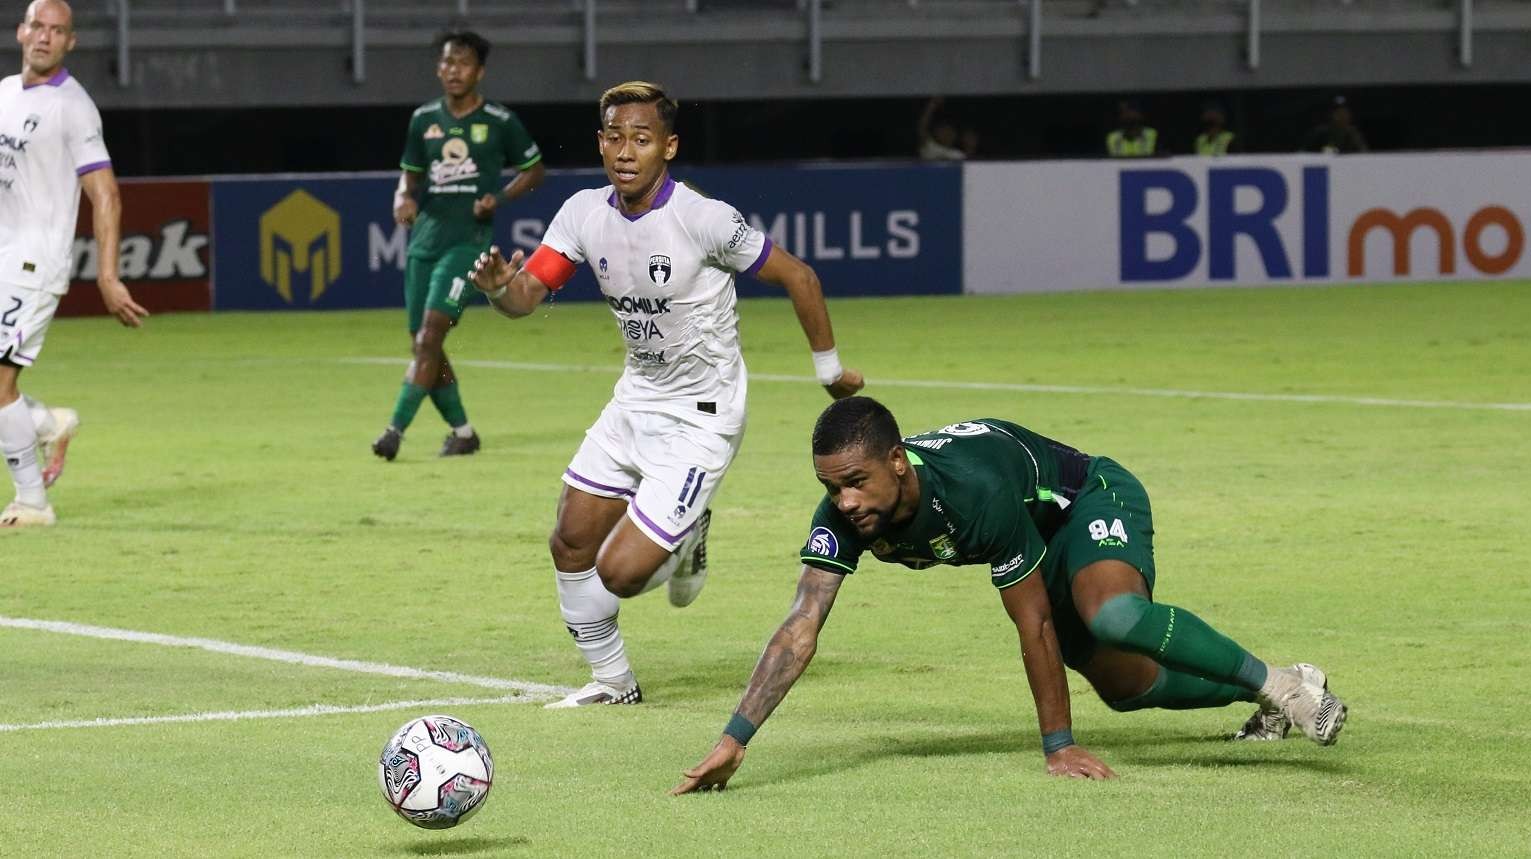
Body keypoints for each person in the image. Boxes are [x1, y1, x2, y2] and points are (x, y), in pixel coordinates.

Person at [672, 397, 1347, 793]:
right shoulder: (847, 514)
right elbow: (800, 625)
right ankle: (1263, 694)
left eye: (855, 481)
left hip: (1088, 499)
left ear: (898, 461)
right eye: (831, 487)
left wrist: (1058, 743)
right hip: (1035, 533)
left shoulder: (972, 493)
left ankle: (1285, 686)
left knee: (1111, 614)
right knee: (1127, 685)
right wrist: (737, 738)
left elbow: (1033, 625)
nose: (844, 501)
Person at [468, 81, 864, 708]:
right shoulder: (581, 214)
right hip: (635, 400)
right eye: (615, 137)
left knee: (620, 574)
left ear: (669, 147)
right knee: (569, 541)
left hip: (702, 417)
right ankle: (612, 683)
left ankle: (687, 533)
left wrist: (830, 372)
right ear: (601, 143)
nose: (627, 151)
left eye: (643, 139)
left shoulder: (702, 218)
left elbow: (799, 275)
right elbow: (526, 299)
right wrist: (498, 289)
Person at [1, 0, 147, 529]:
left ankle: (33, 500)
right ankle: (44, 422)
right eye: (37, 25)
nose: (44, 36)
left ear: (70, 43)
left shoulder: (73, 107)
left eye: (57, 30)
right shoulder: (4, 95)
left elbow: (105, 195)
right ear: (21, 31)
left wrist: (108, 274)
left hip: (34, 265)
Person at [371, 29, 545, 461]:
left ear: (479, 72)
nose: (453, 70)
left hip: (468, 244)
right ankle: (463, 432)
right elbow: (409, 175)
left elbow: (534, 169)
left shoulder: (499, 122)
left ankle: (395, 430)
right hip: (424, 242)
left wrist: (500, 198)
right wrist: (403, 198)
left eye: (463, 63)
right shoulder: (423, 119)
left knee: (430, 335)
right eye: (448, 62)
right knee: (423, 344)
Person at [1302, 95, 1369, 154]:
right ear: (1331, 115)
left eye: (1344, 112)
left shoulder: (1353, 134)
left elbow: (1364, 155)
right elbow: (1303, 154)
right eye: (1338, 113)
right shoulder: (1320, 133)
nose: (1342, 116)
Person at [916, 96, 965, 161]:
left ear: (955, 135)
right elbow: (922, 128)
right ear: (936, 133)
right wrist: (932, 105)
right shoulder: (930, 147)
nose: (947, 134)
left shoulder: (959, 155)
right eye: (943, 131)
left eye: (949, 131)